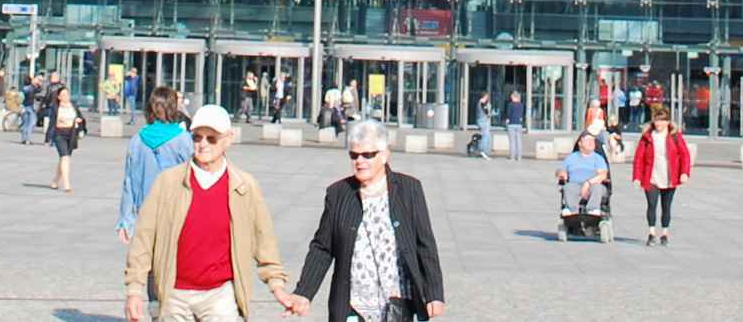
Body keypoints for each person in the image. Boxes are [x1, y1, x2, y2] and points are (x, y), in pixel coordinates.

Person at [121, 103, 303, 322]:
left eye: (211, 138)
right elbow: (144, 237)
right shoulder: (168, 182)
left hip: (220, 295)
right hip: (173, 293)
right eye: (197, 137)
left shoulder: (244, 186)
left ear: (228, 139)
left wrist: (278, 287)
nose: (203, 144)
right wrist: (134, 291)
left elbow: (264, 240)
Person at [295, 118, 447, 321]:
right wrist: (304, 292)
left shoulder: (409, 189)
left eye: (368, 155)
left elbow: (425, 245)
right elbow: (322, 247)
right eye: (354, 155)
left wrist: (434, 294)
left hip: (399, 306)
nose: (360, 161)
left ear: (384, 155)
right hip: (353, 307)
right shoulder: (338, 193)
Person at [120, 85, 195, 244]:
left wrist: (125, 221)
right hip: (175, 213)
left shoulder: (137, 140)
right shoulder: (183, 139)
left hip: (145, 211)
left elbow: (129, 183)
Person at [631, 104, 692, 247]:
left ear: (668, 122)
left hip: (669, 176)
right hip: (651, 176)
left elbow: (685, 155)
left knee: (666, 206)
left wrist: (684, 173)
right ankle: (651, 232)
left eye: (662, 120)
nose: (659, 123)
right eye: (657, 120)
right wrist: (637, 177)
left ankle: (665, 233)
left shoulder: (675, 136)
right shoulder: (647, 137)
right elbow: (638, 158)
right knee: (651, 204)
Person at [556, 130, 610, 218]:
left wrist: (588, 183)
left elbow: (603, 175)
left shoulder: (598, 158)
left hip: (593, 186)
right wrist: (562, 173)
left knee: (597, 187)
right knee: (568, 187)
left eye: (592, 140)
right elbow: (561, 170)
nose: (591, 143)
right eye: (588, 140)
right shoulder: (571, 158)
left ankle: (592, 210)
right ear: (580, 143)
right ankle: (572, 211)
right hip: (576, 185)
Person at [48, 82, 87, 193]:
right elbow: (52, 123)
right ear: (59, 97)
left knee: (63, 159)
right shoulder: (56, 108)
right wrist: (48, 137)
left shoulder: (73, 106)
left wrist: (79, 121)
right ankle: (67, 184)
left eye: (67, 94)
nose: (66, 97)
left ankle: (55, 181)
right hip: (59, 134)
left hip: (71, 134)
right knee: (65, 157)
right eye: (63, 95)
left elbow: (80, 117)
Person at [503, 89, 527, 161]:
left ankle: (512, 156)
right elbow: (522, 114)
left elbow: (508, 114)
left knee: (512, 141)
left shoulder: (510, 105)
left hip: (511, 124)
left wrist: (507, 120)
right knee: (519, 141)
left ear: (513, 97)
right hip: (519, 124)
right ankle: (519, 157)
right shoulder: (521, 105)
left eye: (511, 97)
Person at [473, 93, 493, 160]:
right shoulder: (482, 103)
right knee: (485, 136)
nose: (488, 98)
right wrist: (490, 113)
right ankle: (482, 151)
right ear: (484, 96)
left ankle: (485, 151)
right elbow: (487, 113)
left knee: (487, 136)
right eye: (487, 96)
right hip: (483, 122)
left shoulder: (480, 103)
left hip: (482, 121)